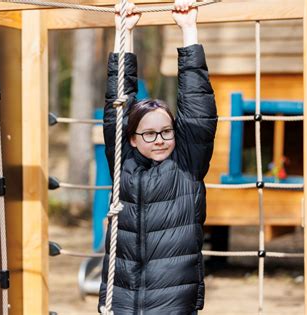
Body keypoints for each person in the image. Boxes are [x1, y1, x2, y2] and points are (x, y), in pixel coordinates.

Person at [99, 0, 217, 313]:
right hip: (123, 297)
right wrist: (123, 30)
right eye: (149, 134)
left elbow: (198, 107)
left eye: (167, 131)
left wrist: (188, 28)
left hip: (172, 301)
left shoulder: (186, 164)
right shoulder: (123, 162)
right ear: (133, 139)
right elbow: (118, 99)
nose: (161, 140)